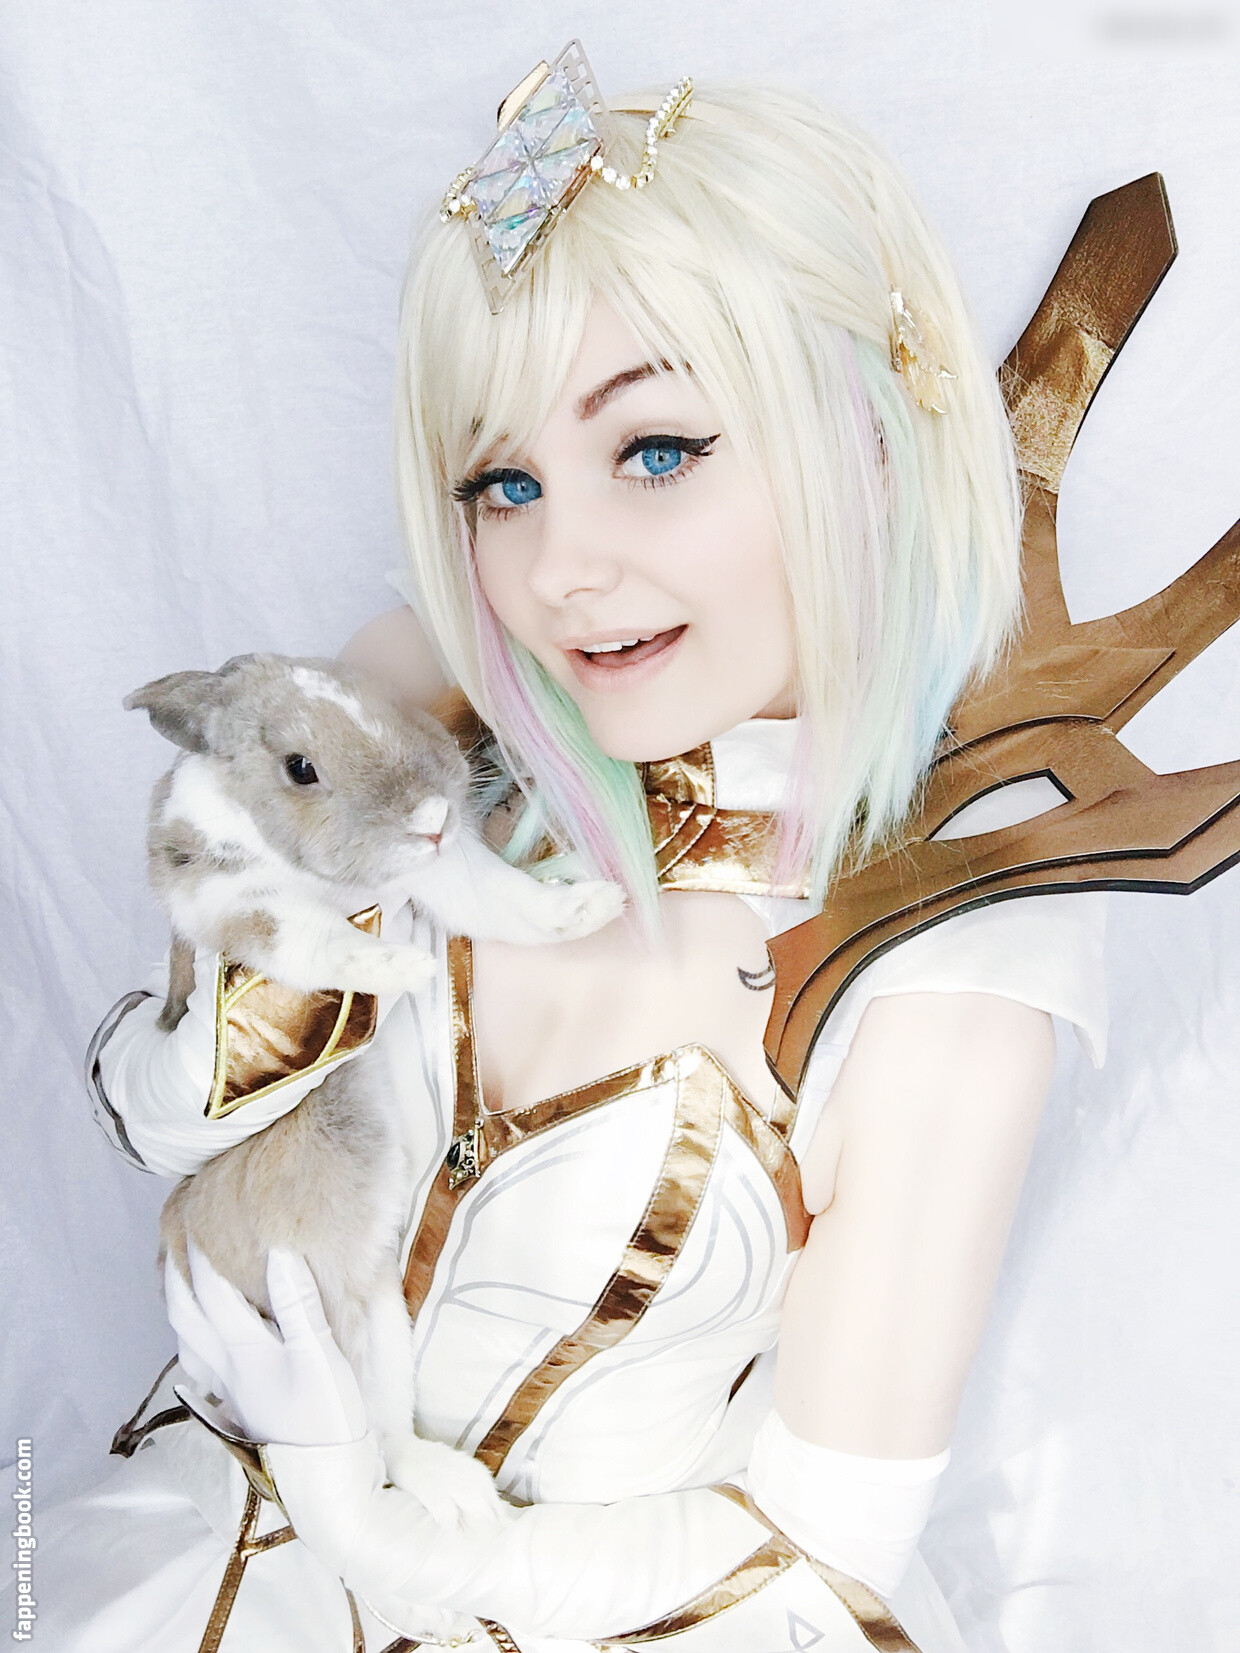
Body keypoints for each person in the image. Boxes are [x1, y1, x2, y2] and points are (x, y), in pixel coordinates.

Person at [26, 53, 1199, 1653]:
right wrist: (273, 973)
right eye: (501, 482)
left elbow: (818, 1558)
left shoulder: (950, 963)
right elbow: (149, 1108)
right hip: (192, 1561)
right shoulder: (423, 706)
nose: (559, 568)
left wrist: (369, 1514)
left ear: (869, 443)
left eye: (656, 450)